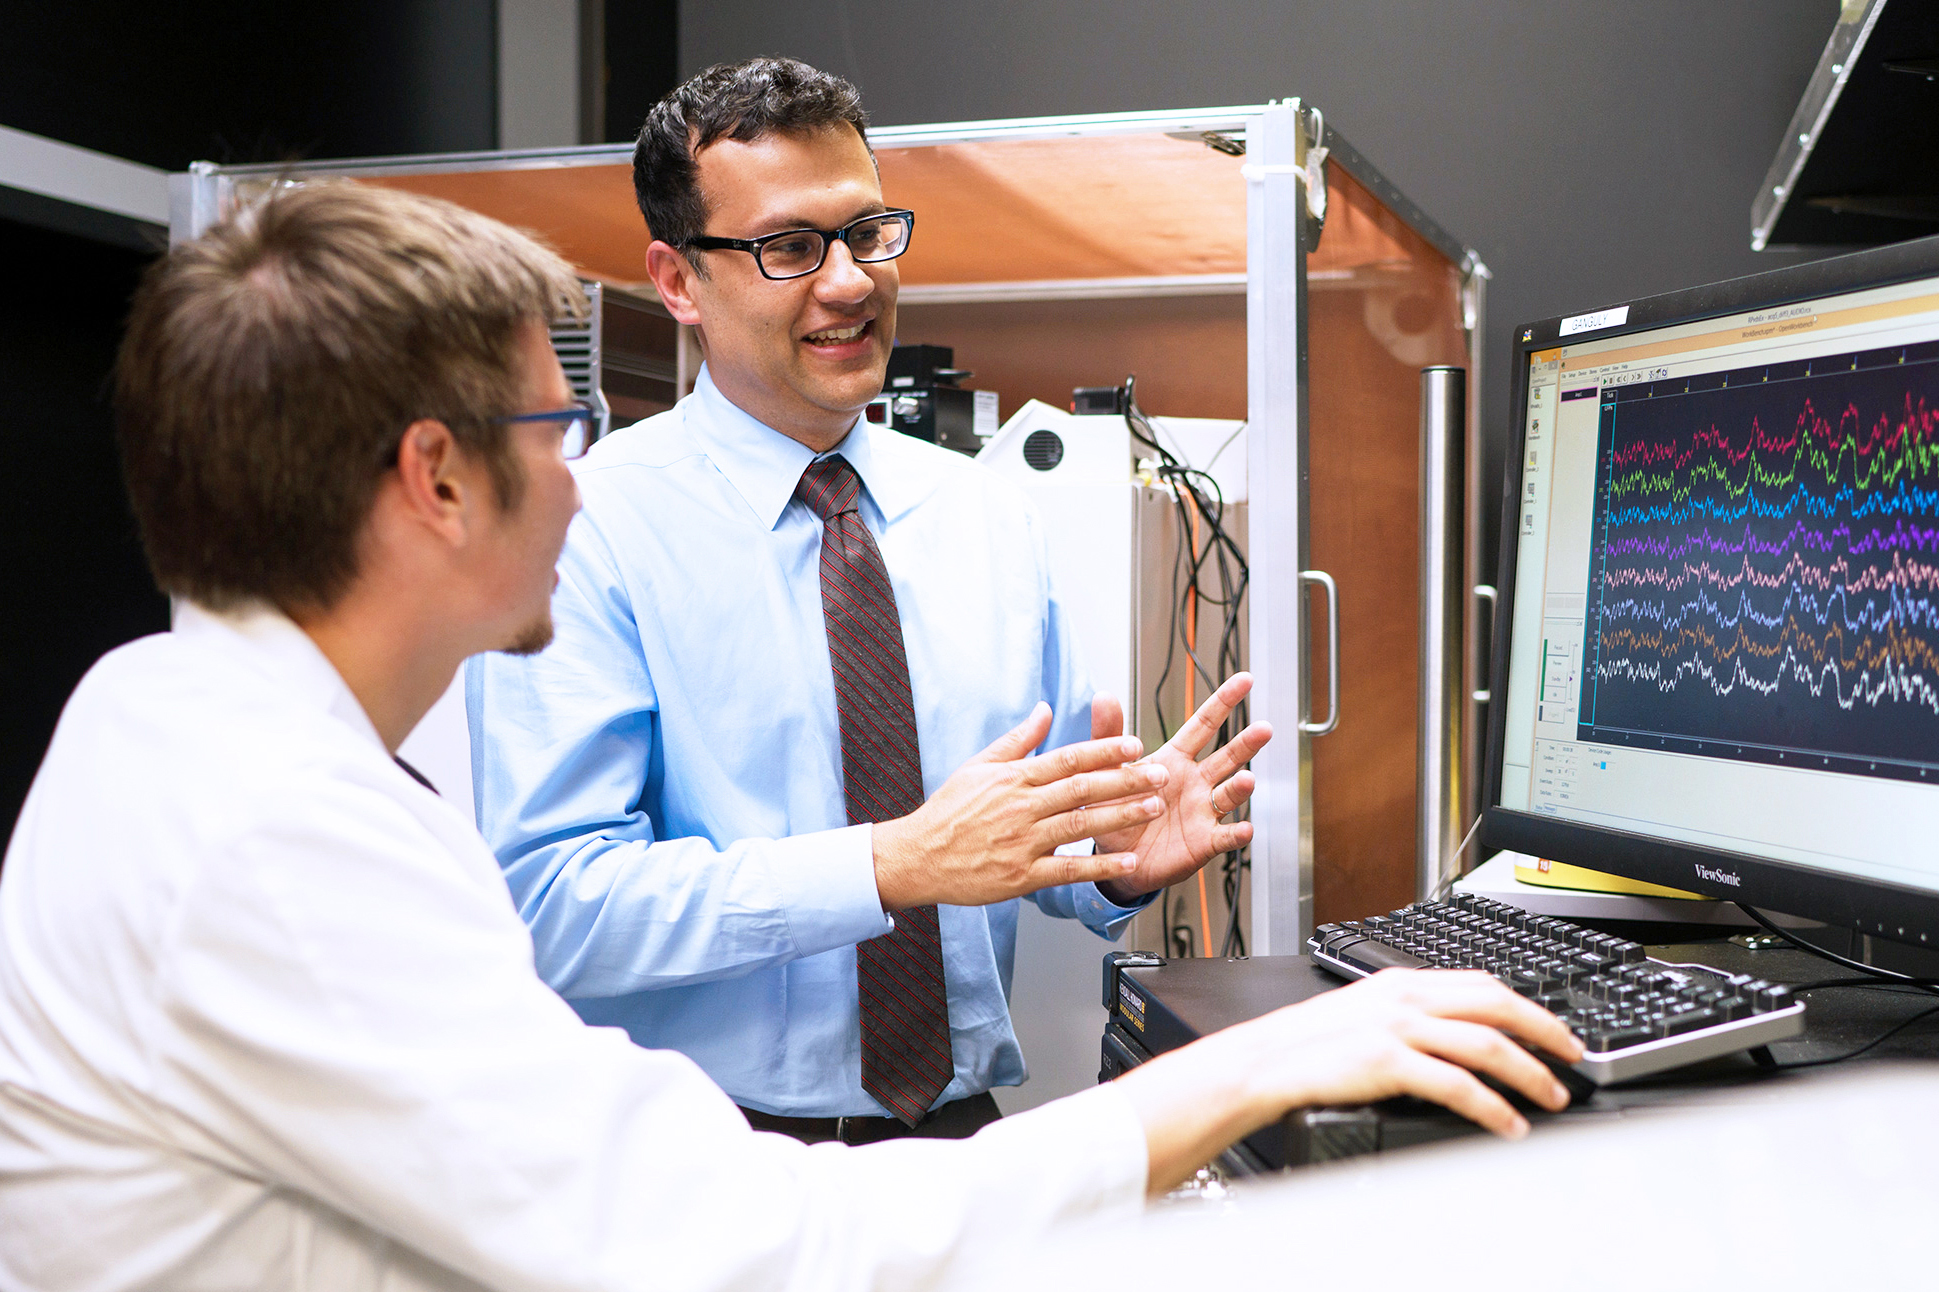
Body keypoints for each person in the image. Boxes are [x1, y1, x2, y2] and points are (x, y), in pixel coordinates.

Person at [0, 180, 1581, 1290]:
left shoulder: (181, 728)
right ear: (435, 477)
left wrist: (1094, 863)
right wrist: (1250, 1069)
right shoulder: (265, 838)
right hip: (768, 1182)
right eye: (555, 426)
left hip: (869, 1157)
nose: (574, 471)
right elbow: (749, 1246)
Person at [467, 56, 1270, 1141]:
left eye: (867, 233)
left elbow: (1042, 848)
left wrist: (1117, 864)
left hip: (961, 1135)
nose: (848, 282)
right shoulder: (585, 529)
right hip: (704, 1156)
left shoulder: (982, 515)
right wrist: (887, 865)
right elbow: (557, 904)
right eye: (789, 247)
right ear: (675, 280)